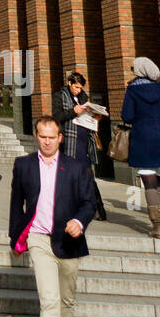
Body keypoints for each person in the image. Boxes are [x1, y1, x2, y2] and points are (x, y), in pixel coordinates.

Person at [9, 115, 96, 317]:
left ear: (60, 137)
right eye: (42, 136)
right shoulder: (23, 165)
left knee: (66, 301)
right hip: (38, 239)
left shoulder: (76, 167)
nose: (47, 142)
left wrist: (79, 222)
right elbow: (16, 205)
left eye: (52, 137)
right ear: (36, 136)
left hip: (69, 241)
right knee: (49, 301)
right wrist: (15, 240)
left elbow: (89, 201)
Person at [122, 57, 160, 240]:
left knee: (149, 183)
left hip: (143, 140)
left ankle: (158, 225)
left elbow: (127, 116)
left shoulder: (132, 89)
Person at [52, 71, 106, 222]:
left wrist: (95, 117)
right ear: (69, 83)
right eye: (76, 87)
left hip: (83, 141)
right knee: (67, 176)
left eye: (80, 87)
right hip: (69, 141)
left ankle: (98, 209)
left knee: (88, 176)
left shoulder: (83, 97)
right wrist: (73, 111)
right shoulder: (59, 96)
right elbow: (57, 116)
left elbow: (88, 114)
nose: (78, 90)